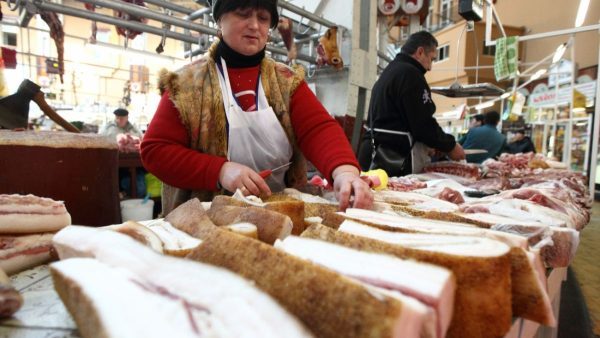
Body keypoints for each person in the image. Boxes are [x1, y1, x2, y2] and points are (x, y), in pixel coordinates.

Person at [141, 0, 372, 214]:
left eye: (263, 18)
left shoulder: (286, 81)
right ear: (220, 19)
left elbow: (318, 129)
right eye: (243, 14)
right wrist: (220, 171)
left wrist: (343, 171)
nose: (254, 25)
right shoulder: (186, 84)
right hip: (204, 218)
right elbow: (156, 150)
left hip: (281, 211)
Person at [357, 31, 465, 176]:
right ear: (420, 52)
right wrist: (451, 146)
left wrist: (431, 144)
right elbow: (423, 124)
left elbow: (401, 119)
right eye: (432, 59)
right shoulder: (411, 74)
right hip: (392, 158)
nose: (430, 68)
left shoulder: (393, 70)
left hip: (375, 152)